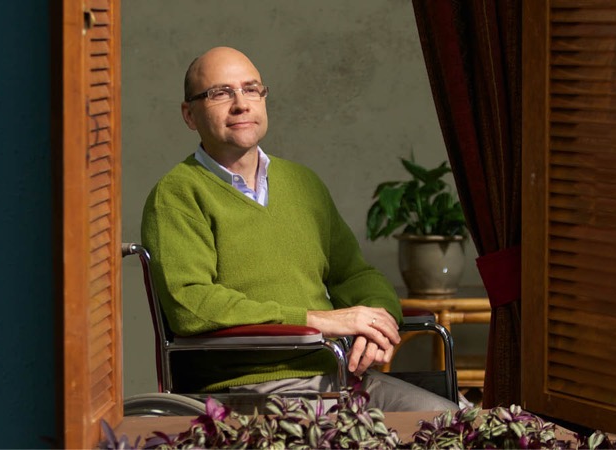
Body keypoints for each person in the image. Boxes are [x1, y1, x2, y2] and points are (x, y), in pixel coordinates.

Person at [141, 46, 458, 412]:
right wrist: (317, 321)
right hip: (248, 387)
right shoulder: (177, 194)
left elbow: (354, 274)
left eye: (251, 89)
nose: (241, 104)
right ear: (189, 115)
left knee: (464, 422)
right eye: (220, 93)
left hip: (338, 376)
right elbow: (191, 304)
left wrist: (377, 320)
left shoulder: (302, 183)